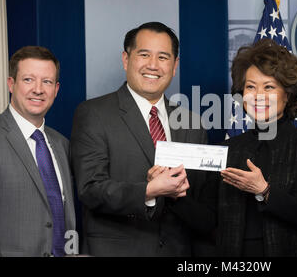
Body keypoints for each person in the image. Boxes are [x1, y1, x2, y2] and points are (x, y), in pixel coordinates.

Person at [70, 22, 215, 256]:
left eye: (163, 57)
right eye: (144, 54)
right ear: (126, 59)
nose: (153, 65)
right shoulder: (94, 113)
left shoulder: (191, 123)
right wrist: (148, 191)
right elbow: (90, 189)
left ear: (175, 65)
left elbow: (201, 203)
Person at [216, 39, 297, 256]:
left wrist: (265, 191)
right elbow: (208, 220)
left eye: (269, 87)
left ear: (288, 94)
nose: (258, 96)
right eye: (250, 87)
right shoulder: (226, 149)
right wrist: (174, 195)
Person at [0, 46, 76, 257]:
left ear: (56, 89)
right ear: (11, 84)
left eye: (47, 82)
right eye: (28, 80)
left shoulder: (62, 144)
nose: (38, 89)